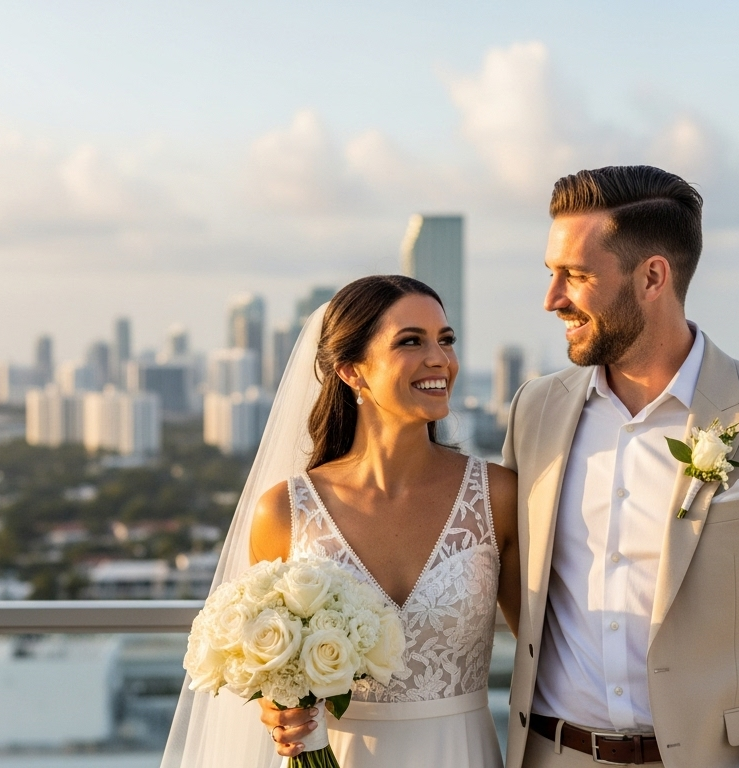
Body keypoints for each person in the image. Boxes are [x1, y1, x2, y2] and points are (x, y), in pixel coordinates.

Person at [501, 166, 739, 768]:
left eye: (574, 275)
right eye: (551, 274)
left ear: (653, 276)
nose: (552, 299)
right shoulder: (535, 410)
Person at [160, 275, 519, 768]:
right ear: (352, 371)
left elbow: (546, 651)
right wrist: (277, 707)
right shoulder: (284, 512)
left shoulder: (497, 495)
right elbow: (269, 676)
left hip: (460, 752)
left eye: (446, 340)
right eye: (411, 341)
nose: (440, 359)